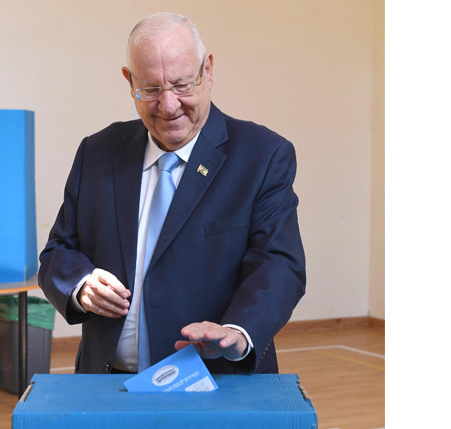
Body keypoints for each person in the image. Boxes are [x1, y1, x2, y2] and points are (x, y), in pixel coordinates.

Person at [39, 12, 306, 375]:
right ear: (128, 81)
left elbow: (279, 265)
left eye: (182, 85)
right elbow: (58, 252)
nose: (168, 106)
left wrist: (238, 332)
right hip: (106, 384)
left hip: (214, 384)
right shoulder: (97, 152)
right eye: (150, 89)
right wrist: (81, 284)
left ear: (207, 71)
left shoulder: (262, 156)